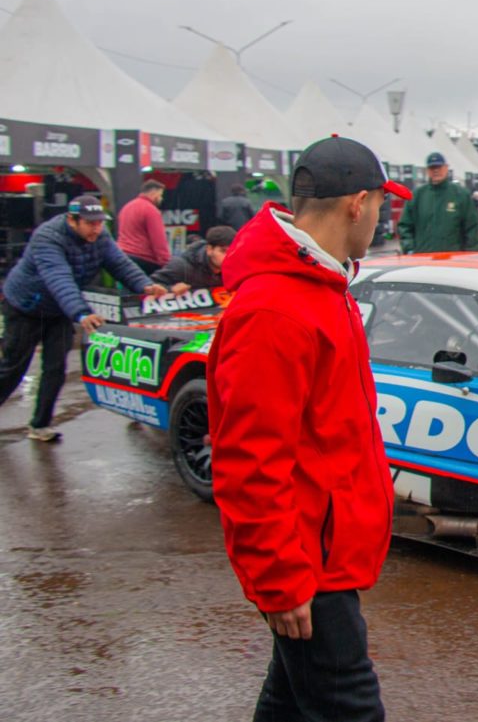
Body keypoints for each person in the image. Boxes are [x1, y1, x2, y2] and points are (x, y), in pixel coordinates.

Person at [208, 135, 411, 721]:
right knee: (347, 706)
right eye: (380, 203)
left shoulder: (321, 284)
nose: (380, 216)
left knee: (291, 702)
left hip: (319, 548)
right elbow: (248, 458)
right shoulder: (277, 307)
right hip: (307, 560)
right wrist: (279, 578)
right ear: (356, 203)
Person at [0, 195, 168, 441]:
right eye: (90, 223)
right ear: (72, 220)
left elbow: (119, 263)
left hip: (58, 310)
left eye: (100, 223)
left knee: (56, 368)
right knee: (12, 369)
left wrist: (145, 285)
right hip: (26, 308)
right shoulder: (47, 238)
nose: (97, 228)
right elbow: (59, 278)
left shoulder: (100, 235)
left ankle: (39, 425)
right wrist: (81, 312)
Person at [398, 151, 478, 253]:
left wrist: (470, 254)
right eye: (432, 168)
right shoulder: (417, 196)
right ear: (427, 171)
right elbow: (404, 226)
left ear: (446, 168)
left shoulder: (461, 195)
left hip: (452, 261)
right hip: (423, 260)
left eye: (439, 167)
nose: (436, 171)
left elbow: (472, 227)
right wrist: (409, 249)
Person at [150, 225, 236, 294]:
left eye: (233, 251)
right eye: (223, 251)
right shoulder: (181, 266)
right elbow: (149, 287)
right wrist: (171, 289)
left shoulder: (237, 268)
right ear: (209, 250)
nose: (229, 256)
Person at [117, 179, 171, 273]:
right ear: (154, 193)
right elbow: (159, 240)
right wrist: (167, 264)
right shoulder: (150, 210)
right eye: (160, 195)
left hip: (123, 256)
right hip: (143, 259)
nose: (161, 199)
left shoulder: (126, 207)